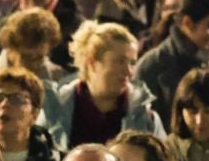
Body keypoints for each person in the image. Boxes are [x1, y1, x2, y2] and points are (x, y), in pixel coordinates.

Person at [42, 21, 164, 150]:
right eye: (120, 61)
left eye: (132, 63)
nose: (129, 71)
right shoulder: (54, 113)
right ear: (92, 63)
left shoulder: (145, 118)